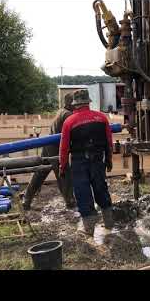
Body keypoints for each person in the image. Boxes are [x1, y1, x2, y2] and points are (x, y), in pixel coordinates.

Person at [59, 89, 114, 236]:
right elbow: (109, 142)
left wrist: (62, 166)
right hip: (98, 159)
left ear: (75, 104)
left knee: (82, 192)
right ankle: (109, 222)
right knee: (101, 187)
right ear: (88, 102)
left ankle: (89, 228)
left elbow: (63, 148)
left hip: (79, 162)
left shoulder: (69, 122)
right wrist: (109, 159)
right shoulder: (101, 118)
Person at [23, 93, 76, 210]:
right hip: (56, 147)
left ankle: (27, 198)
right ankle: (70, 201)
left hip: (48, 145)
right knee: (64, 173)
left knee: (40, 173)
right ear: (71, 103)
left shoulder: (61, 111)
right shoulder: (67, 115)